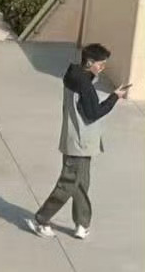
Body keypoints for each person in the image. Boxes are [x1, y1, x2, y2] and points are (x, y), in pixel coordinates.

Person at [28, 42, 129, 241]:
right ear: (89, 62)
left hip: (79, 141)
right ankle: (41, 219)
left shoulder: (74, 76)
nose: (102, 67)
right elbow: (94, 113)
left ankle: (82, 223)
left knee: (81, 183)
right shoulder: (84, 86)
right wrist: (114, 97)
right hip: (79, 143)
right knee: (67, 184)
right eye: (100, 64)